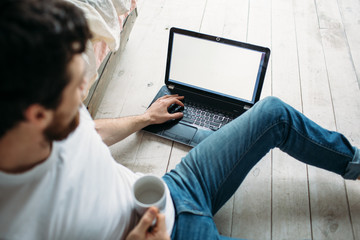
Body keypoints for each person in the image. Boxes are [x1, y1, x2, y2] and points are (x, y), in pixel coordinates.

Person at [0, 0, 359, 239]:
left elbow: (88, 131)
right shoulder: (15, 221)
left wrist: (144, 117)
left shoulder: (47, 106)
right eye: (79, 84)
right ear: (37, 115)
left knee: (272, 113)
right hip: (170, 235)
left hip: (174, 189)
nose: (87, 82)